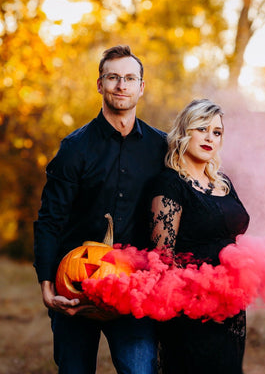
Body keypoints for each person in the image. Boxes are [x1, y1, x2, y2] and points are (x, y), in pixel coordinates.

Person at [33, 45, 167, 374]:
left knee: (141, 370)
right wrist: (47, 285)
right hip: (76, 284)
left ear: (141, 87)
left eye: (130, 78)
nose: (122, 85)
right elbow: (49, 220)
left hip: (134, 288)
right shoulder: (74, 149)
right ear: (100, 84)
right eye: (113, 77)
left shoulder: (162, 147)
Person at [149, 98, 250, 374]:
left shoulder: (223, 182)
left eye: (216, 132)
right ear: (185, 132)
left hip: (230, 306)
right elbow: (162, 259)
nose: (210, 137)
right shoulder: (170, 183)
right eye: (201, 129)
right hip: (191, 310)